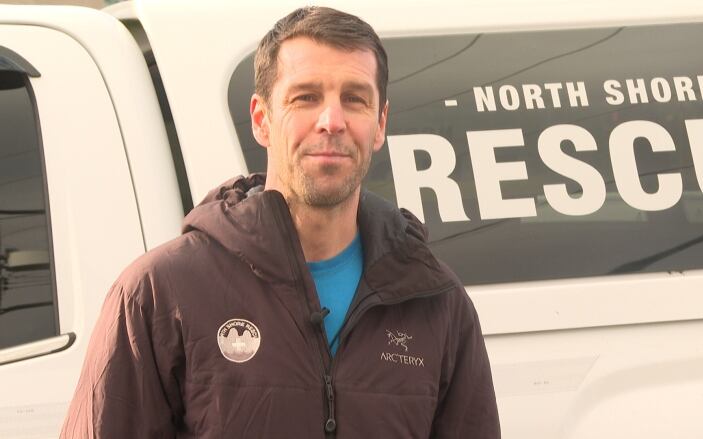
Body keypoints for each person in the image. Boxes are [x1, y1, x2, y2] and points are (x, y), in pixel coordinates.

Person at [61, 6, 499, 438]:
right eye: (305, 97)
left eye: (355, 99)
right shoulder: (158, 293)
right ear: (261, 119)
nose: (332, 121)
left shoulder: (436, 302)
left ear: (380, 122)